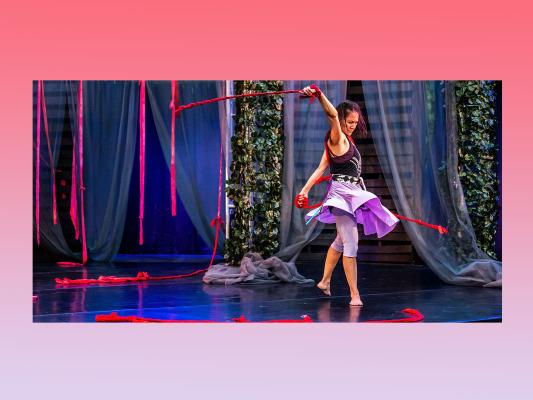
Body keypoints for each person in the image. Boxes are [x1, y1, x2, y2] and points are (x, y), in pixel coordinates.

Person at [297, 85, 399, 306]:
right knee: (351, 243)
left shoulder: (345, 142)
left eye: (354, 123)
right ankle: (355, 295)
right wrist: (319, 93)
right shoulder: (338, 137)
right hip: (341, 196)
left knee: (340, 241)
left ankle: (325, 281)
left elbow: (320, 168)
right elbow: (332, 114)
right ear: (341, 121)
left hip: (350, 193)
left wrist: (304, 190)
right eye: (348, 122)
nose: (352, 126)